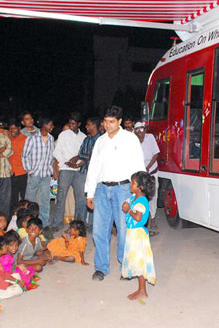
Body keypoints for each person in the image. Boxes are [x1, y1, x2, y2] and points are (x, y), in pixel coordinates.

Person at [85, 106, 145, 281]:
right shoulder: (100, 141)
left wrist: (138, 193)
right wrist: (90, 192)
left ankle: (125, 267)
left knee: (124, 231)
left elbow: (139, 166)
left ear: (119, 121)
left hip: (123, 189)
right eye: (105, 121)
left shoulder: (130, 139)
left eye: (111, 121)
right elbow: (93, 167)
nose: (107, 125)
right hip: (102, 189)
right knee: (99, 230)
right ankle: (101, 267)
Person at [121, 171, 157, 300]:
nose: (130, 185)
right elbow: (126, 205)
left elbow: (138, 217)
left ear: (140, 187)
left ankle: (142, 291)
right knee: (135, 261)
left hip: (138, 236)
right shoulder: (133, 197)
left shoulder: (141, 201)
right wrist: (126, 206)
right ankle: (140, 289)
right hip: (132, 234)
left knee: (139, 262)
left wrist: (128, 210)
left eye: (133, 183)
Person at [50, 112, 87, 230]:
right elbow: (56, 152)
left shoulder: (83, 137)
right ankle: (57, 223)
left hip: (79, 170)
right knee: (61, 197)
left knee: (81, 199)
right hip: (66, 169)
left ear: (79, 124)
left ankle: (78, 225)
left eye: (73, 124)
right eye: (70, 123)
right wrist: (66, 162)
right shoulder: (64, 135)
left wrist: (78, 163)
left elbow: (84, 154)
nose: (71, 126)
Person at [69, 117, 101, 230]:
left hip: (95, 175)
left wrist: (84, 157)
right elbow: (81, 152)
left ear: (94, 125)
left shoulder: (101, 140)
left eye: (88, 125)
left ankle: (92, 226)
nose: (86, 127)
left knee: (94, 200)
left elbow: (95, 156)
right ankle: (78, 226)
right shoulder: (86, 139)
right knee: (80, 201)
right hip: (83, 172)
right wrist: (87, 157)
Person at [22, 117, 54, 227]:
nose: (52, 127)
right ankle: (28, 223)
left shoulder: (51, 138)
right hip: (34, 175)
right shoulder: (32, 138)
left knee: (45, 201)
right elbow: (25, 156)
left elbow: (51, 156)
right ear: (44, 125)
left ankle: (44, 224)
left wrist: (50, 169)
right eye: (50, 125)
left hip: (46, 174)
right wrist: (30, 170)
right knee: (30, 201)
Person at [133, 122, 160, 236]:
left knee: (153, 195)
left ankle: (152, 217)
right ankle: (140, 219)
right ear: (135, 131)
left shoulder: (150, 138)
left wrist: (148, 167)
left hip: (152, 171)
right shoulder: (133, 140)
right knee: (140, 196)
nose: (140, 132)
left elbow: (156, 154)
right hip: (140, 174)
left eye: (142, 129)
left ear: (145, 129)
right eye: (137, 130)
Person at [7, 119, 27, 209]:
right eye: (10, 128)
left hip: (23, 171)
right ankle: (13, 214)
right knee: (12, 197)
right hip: (11, 172)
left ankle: (25, 214)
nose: (12, 131)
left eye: (14, 128)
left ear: (19, 128)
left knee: (24, 196)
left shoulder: (26, 139)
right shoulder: (8, 139)